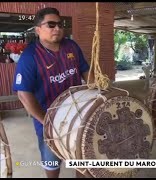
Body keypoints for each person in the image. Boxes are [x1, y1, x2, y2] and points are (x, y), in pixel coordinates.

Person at [12, 7, 93, 178]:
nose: (57, 28)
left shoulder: (71, 46)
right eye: (51, 24)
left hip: (77, 113)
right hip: (49, 119)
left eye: (59, 24)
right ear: (38, 30)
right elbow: (23, 94)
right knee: (52, 161)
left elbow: (86, 71)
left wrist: (95, 93)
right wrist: (46, 122)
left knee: (82, 156)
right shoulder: (30, 57)